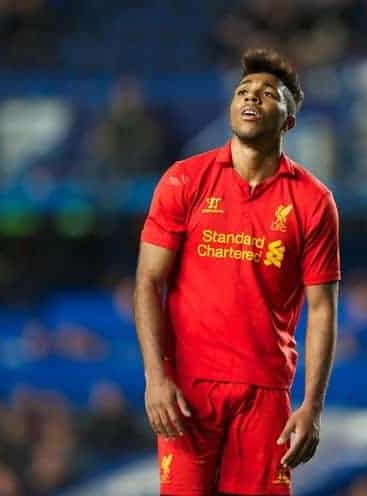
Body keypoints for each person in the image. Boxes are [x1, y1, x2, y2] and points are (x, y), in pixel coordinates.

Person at [134, 47, 340, 496]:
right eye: (243, 90)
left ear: (288, 120)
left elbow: (322, 309)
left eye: (268, 94)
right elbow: (148, 282)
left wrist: (312, 406)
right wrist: (156, 378)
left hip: (264, 393)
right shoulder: (183, 180)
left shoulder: (314, 201)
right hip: (187, 391)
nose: (251, 98)